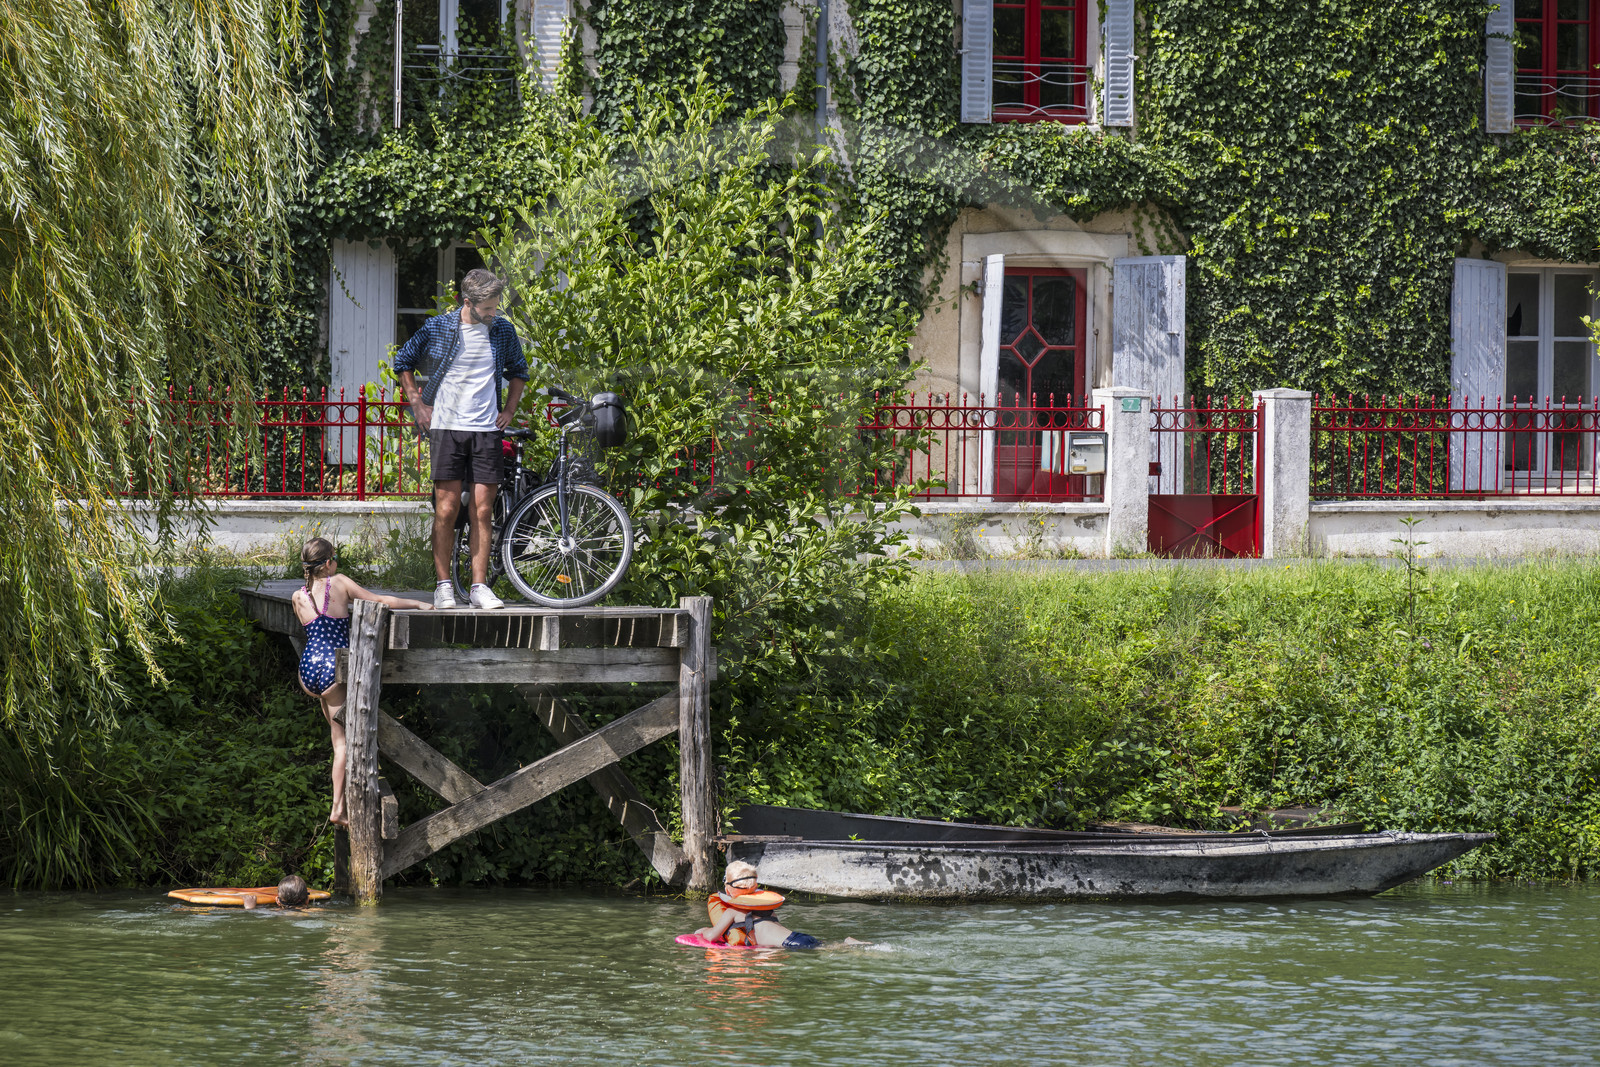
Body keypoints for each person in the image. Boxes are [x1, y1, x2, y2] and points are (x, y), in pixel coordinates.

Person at [394, 268, 530, 610]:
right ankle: (443, 586)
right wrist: (418, 405)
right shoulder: (438, 326)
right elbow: (403, 361)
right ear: (467, 302)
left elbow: (519, 371)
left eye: (496, 308)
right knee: (447, 509)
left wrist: (510, 410)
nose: (493, 315)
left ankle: (479, 587)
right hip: (447, 428)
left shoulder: (501, 331)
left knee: (482, 510)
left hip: (486, 430)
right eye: (487, 309)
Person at [292, 537, 433, 826]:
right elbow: (381, 601)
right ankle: (338, 809)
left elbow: (314, 631)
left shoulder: (298, 596)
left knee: (335, 738)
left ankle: (339, 804)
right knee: (342, 745)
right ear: (329, 562)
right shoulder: (340, 582)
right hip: (334, 669)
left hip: (308, 670)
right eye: (335, 557)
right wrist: (419, 603)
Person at [695, 860, 822, 949]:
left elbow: (712, 937)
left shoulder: (732, 912)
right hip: (799, 936)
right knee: (825, 947)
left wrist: (703, 930)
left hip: (790, 945)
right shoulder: (767, 908)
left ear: (727, 890)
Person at [241, 875, 311, 910]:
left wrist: (250, 907)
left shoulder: (275, 912)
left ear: (278, 901)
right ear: (307, 900)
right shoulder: (314, 911)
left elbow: (252, 916)